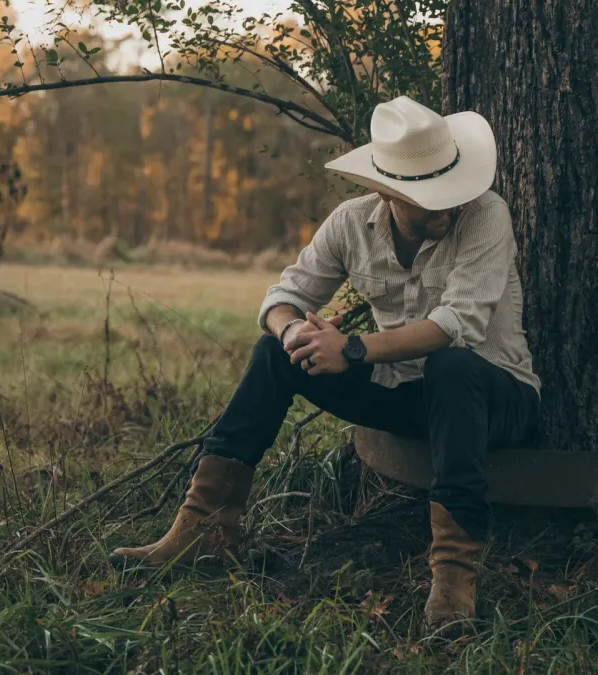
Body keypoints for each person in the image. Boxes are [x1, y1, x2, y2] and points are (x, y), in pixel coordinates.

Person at [109, 96, 541, 629]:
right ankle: (204, 532)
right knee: (275, 352)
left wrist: (351, 348)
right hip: (410, 396)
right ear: (385, 190)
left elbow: (458, 326)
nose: (445, 209)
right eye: (428, 199)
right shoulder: (350, 224)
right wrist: (295, 332)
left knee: (451, 366)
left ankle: (453, 582)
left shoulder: (486, 215)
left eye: (449, 192)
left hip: (496, 397)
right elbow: (281, 298)